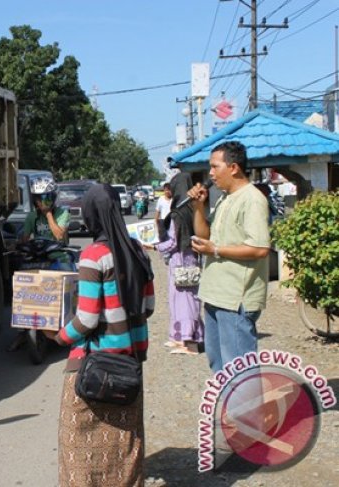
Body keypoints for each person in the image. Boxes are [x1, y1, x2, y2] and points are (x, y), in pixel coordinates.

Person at [44, 183, 155, 486]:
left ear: (91, 215)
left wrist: (57, 336)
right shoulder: (137, 251)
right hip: (130, 365)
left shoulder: (94, 255)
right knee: (125, 447)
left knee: (78, 451)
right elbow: (148, 307)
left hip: (94, 365)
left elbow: (86, 320)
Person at [187, 141, 270, 373]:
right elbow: (205, 236)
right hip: (215, 294)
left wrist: (215, 250)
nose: (210, 174)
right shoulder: (224, 198)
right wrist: (198, 207)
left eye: (215, 167)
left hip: (236, 298)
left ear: (233, 168)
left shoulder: (252, 199)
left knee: (239, 370)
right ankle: (227, 409)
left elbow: (260, 248)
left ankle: (246, 410)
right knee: (220, 366)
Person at [8, 175, 72, 352]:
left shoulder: (63, 213)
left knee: (71, 287)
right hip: (38, 259)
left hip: (59, 258)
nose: (44, 202)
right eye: (40, 198)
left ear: (54, 198)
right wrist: (17, 243)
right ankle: (22, 330)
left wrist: (49, 214)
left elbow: (59, 236)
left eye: (47, 198)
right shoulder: (31, 217)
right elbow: (25, 237)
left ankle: (72, 327)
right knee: (21, 288)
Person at [143, 173, 204, 355]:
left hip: (180, 260)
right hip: (189, 259)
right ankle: (180, 338)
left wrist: (153, 246)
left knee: (184, 301)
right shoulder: (192, 209)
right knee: (185, 299)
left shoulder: (178, 213)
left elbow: (173, 242)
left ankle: (189, 342)